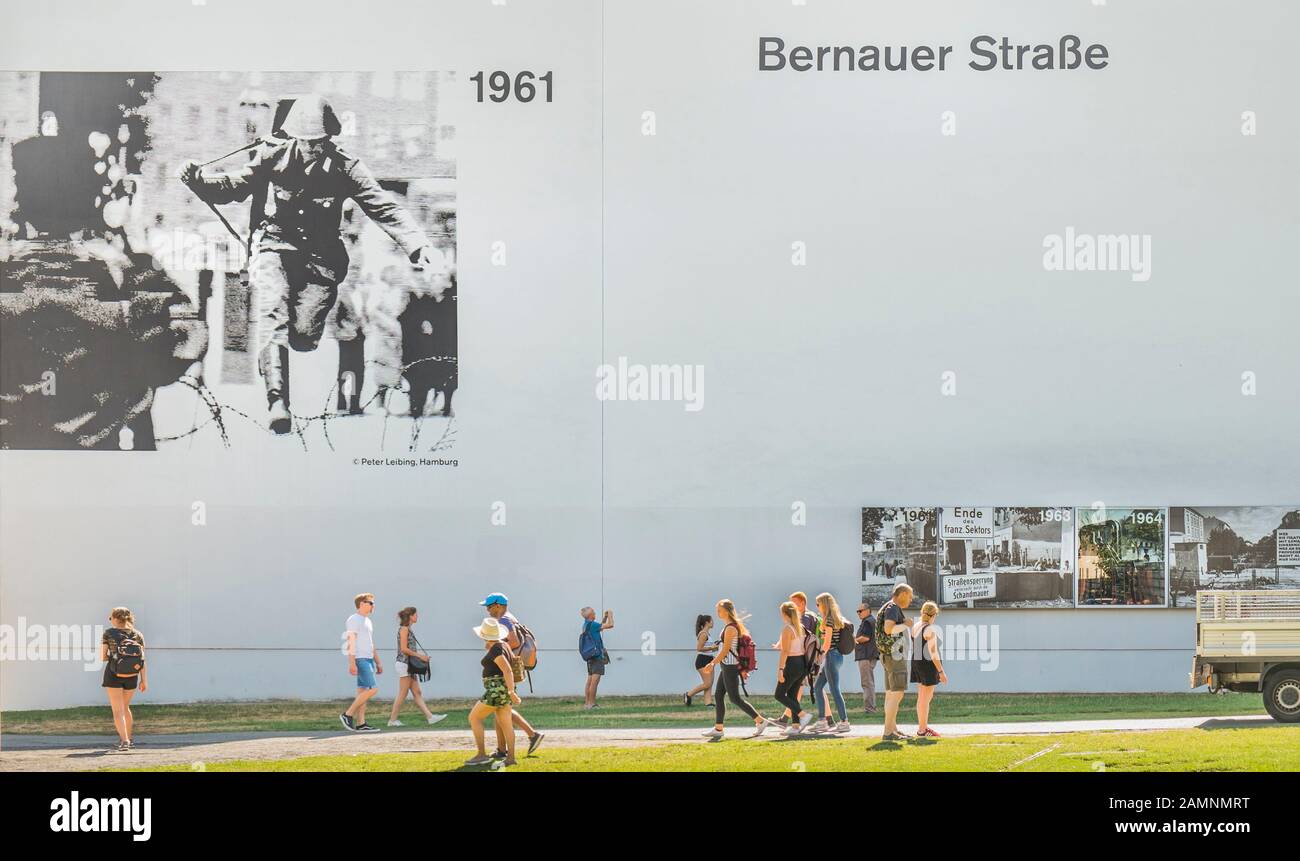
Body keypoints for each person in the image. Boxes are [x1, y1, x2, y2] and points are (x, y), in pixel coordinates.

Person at [179, 94, 448, 433]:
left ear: (329, 138)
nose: (312, 149)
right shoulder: (272, 155)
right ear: (293, 137)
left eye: (319, 142)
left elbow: (383, 207)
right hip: (274, 247)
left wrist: (418, 245)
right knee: (270, 314)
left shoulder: (346, 166)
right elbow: (235, 185)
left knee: (304, 337)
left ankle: (296, 339)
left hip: (321, 262)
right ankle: (278, 402)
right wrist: (198, 180)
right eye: (306, 143)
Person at [480, 593, 545, 756]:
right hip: (507, 668)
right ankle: (505, 748)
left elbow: (514, 641)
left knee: (502, 708)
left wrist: (494, 644)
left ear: (498, 605)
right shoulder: (509, 618)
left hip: (505, 670)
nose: (487, 610)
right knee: (501, 708)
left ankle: (528, 737)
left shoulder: (504, 620)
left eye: (489, 606)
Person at [700, 600, 773, 739]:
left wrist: (712, 663)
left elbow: (726, 650)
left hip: (730, 667)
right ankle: (718, 728)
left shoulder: (730, 628)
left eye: (719, 610)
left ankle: (760, 721)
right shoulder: (729, 627)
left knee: (735, 698)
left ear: (727, 611)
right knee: (719, 695)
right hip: (726, 666)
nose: (717, 613)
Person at [464, 617, 521, 767]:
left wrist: (511, 692)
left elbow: (507, 670)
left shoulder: (496, 649)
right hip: (502, 689)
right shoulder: (503, 645)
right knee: (506, 723)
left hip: (497, 689)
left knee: (474, 718)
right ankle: (511, 758)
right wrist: (510, 691)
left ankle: (481, 755)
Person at [387, 606, 447, 727]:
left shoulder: (408, 629)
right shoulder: (404, 629)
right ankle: (392, 720)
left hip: (409, 665)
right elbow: (404, 649)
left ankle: (430, 717)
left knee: (417, 692)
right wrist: (420, 656)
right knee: (403, 693)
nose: (417, 617)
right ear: (410, 616)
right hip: (404, 664)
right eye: (416, 615)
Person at [101, 607, 147, 753]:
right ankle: (129, 739)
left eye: (110, 618)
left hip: (114, 675)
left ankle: (124, 741)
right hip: (132, 676)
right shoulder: (138, 634)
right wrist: (143, 680)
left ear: (115, 618)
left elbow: (102, 657)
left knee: (117, 711)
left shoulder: (109, 633)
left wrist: (114, 659)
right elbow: (142, 660)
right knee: (125, 707)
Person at [774, 590, 820, 726]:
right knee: (793, 695)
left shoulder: (788, 629)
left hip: (792, 663)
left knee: (779, 694)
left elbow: (785, 651)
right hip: (802, 664)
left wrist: (780, 669)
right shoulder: (800, 627)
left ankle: (802, 715)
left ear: (784, 614)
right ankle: (795, 725)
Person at [878, 584, 915, 741]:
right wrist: (906, 624)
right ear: (903, 594)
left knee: (891, 694)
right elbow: (888, 629)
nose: (911, 600)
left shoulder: (887, 607)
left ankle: (893, 729)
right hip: (895, 655)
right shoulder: (893, 607)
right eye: (910, 596)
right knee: (897, 693)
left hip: (888, 655)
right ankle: (888, 732)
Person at [341, 592, 382, 733]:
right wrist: (351, 663)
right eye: (371, 603)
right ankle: (347, 714)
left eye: (373, 603)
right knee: (373, 689)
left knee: (363, 692)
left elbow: (371, 643)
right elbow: (350, 642)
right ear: (362, 604)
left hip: (369, 658)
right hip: (360, 659)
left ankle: (361, 723)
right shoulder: (354, 619)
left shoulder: (368, 621)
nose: (373, 606)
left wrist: (378, 662)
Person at [810, 592, 851, 734]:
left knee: (834, 690)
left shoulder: (828, 620)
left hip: (831, 656)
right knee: (818, 687)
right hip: (837, 656)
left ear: (824, 604)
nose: (817, 607)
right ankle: (822, 720)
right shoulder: (836, 619)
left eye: (818, 604)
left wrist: (819, 657)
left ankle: (844, 721)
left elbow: (826, 644)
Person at [911, 601, 947, 738]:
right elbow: (933, 653)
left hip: (917, 662)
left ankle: (922, 727)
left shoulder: (916, 626)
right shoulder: (930, 629)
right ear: (933, 615)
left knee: (922, 697)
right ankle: (922, 729)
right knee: (926, 698)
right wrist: (941, 671)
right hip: (927, 665)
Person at [579, 606, 614, 709]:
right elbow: (611, 625)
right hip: (597, 656)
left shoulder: (586, 625)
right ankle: (592, 704)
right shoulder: (593, 625)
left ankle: (587, 703)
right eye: (593, 612)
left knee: (589, 681)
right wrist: (610, 614)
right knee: (595, 682)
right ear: (590, 615)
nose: (595, 613)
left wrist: (605, 618)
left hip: (590, 656)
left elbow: (600, 627)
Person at [684, 614, 718, 706]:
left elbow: (709, 648)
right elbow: (699, 648)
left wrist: (715, 647)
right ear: (707, 622)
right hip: (702, 660)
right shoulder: (703, 634)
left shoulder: (708, 634)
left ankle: (708, 703)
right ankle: (688, 694)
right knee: (707, 683)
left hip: (710, 659)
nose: (713, 623)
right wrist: (712, 647)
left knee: (709, 683)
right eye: (711, 621)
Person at [854, 602, 880, 714]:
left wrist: (854, 639)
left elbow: (865, 638)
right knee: (868, 682)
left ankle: (870, 708)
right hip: (869, 655)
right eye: (857, 611)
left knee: (867, 683)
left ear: (868, 610)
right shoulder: (870, 621)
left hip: (866, 655)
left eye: (860, 611)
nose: (858, 613)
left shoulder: (868, 621)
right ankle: (871, 707)